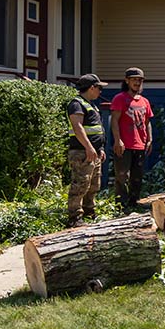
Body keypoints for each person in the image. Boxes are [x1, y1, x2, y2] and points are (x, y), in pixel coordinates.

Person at [66, 73, 108, 227]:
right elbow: (77, 127)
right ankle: (74, 218)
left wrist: (100, 148)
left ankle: (89, 212)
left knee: (93, 185)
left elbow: (96, 129)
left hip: (94, 152)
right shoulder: (77, 104)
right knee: (80, 184)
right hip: (82, 152)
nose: (100, 92)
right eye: (99, 88)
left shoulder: (91, 104)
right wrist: (89, 147)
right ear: (91, 88)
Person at [110, 67, 153, 212]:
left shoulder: (144, 101)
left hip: (140, 145)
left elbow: (147, 122)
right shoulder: (120, 98)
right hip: (124, 145)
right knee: (122, 176)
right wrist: (118, 140)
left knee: (137, 177)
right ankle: (120, 206)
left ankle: (134, 203)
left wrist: (149, 139)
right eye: (134, 79)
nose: (137, 82)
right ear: (127, 81)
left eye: (139, 80)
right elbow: (114, 120)